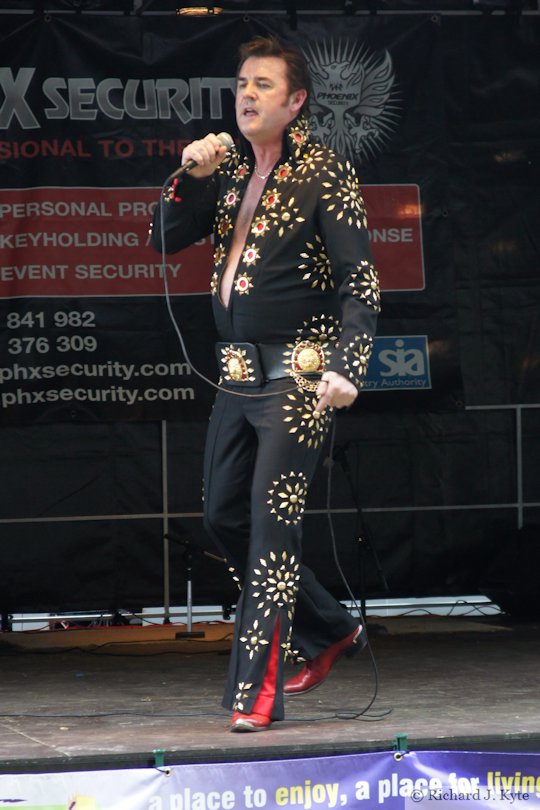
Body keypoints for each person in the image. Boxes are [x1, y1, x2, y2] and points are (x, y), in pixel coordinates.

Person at [150, 35, 380, 732]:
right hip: (238, 380)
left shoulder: (325, 172)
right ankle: (332, 628)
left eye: (263, 85)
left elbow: (361, 283)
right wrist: (189, 174)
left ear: (297, 101)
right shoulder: (228, 170)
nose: (247, 94)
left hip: (299, 382)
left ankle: (258, 693)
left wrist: (348, 365)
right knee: (223, 516)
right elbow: (162, 239)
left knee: (271, 532)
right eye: (242, 83)